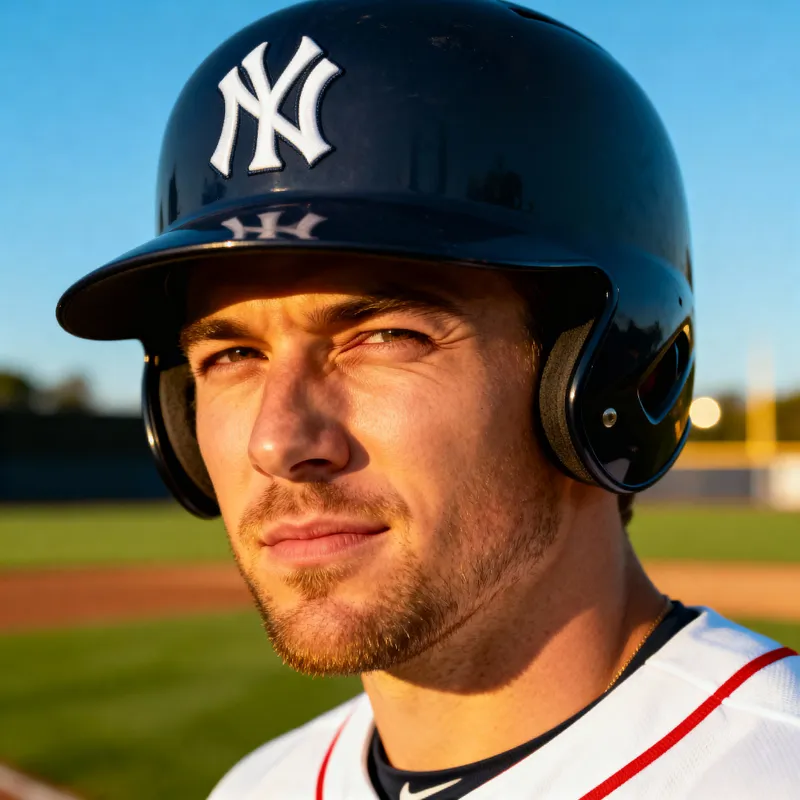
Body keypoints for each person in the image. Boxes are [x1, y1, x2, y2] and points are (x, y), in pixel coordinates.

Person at [57, 0, 799, 797]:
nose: (277, 440)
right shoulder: (257, 786)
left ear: (608, 374)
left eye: (385, 337)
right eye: (233, 354)